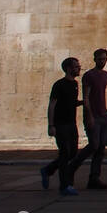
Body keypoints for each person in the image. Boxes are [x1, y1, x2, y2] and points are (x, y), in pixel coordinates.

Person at [40, 57, 82, 196]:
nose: (78, 68)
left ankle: (48, 170)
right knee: (64, 154)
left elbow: (71, 103)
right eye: (76, 66)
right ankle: (64, 186)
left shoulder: (75, 84)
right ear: (69, 69)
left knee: (73, 152)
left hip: (71, 124)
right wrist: (51, 125)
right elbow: (52, 105)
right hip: (60, 124)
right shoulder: (59, 85)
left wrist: (83, 102)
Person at [72, 48, 107, 190]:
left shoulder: (106, 75)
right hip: (93, 116)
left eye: (104, 59)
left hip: (103, 115)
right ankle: (72, 167)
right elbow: (86, 96)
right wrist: (89, 116)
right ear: (95, 59)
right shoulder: (89, 75)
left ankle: (94, 178)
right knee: (93, 145)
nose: (102, 61)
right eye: (100, 59)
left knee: (100, 148)